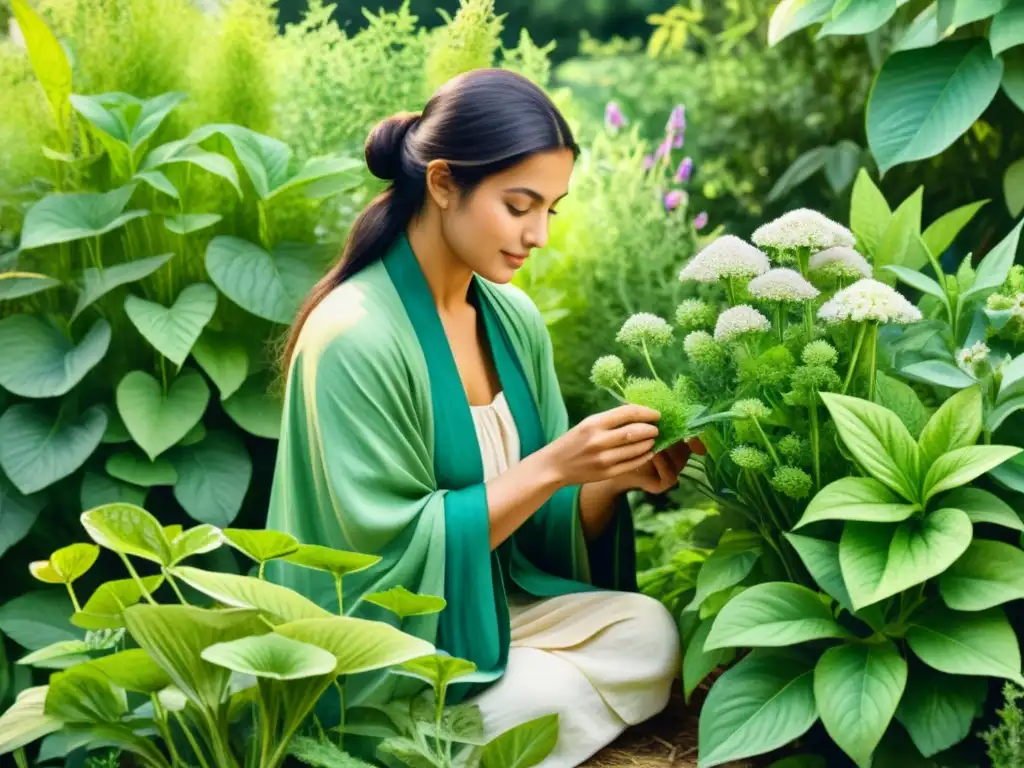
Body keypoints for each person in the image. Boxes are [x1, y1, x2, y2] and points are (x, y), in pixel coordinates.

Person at [267, 68, 699, 767]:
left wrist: (604, 480)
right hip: (391, 647)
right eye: (519, 205)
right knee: (544, 695)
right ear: (443, 184)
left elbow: (539, 527)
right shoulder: (354, 335)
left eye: (551, 210)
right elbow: (387, 559)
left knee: (648, 632)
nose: (539, 236)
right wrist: (553, 466)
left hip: (499, 613)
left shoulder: (513, 319)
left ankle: (490, 738)